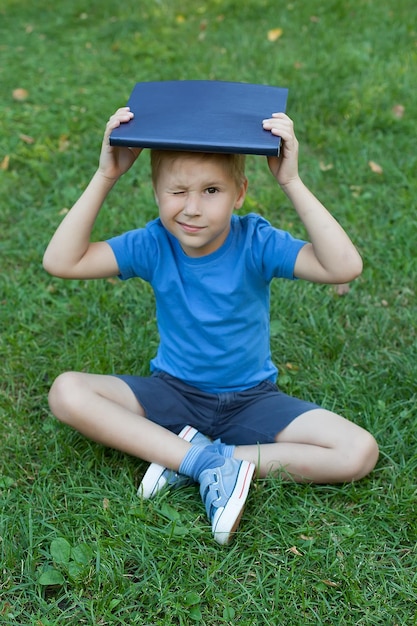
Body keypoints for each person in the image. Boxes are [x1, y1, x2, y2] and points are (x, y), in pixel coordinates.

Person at [43, 107, 379, 545]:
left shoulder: (256, 241)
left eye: (212, 190)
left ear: (240, 193)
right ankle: (200, 462)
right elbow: (61, 261)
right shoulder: (154, 243)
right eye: (177, 191)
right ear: (156, 193)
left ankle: (196, 458)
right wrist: (106, 174)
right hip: (173, 393)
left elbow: (344, 266)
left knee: (358, 451)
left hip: (252, 401)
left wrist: (291, 182)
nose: (193, 208)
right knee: (66, 391)